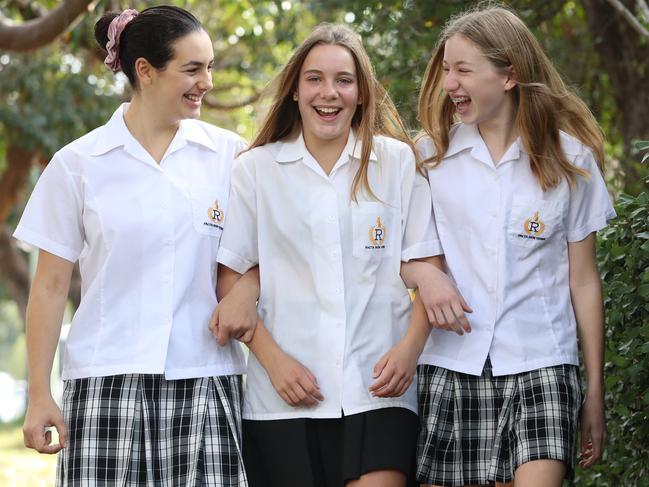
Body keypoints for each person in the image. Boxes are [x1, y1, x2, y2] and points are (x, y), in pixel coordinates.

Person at [16, 6, 253, 485]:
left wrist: (248, 288)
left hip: (204, 377)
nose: (206, 81)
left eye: (209, 66)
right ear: (144, 70)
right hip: (105, 384)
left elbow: (258, 255)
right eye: (192, 68)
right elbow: (49, 287)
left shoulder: (231, 156)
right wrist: (39, 393)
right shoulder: (77, 164)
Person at [213, 23, 453, 487]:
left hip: (379, 391)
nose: (330, 93)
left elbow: (427, 265)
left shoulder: (398, 163)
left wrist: (409, 350)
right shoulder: (254, 171)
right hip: (281, 398)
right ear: (295, 93)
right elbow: (231, 281)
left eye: (344, 80)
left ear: (362, 93)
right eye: (315, 79)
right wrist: (274, 361)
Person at [414, 5, 615, 487]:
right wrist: (425, 275)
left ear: (510, 75)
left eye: (463, 69)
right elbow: (409, 256)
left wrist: (594, 391)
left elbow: (583, 280)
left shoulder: (571, 159)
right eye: (445, 69)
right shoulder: (427, 158)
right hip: (449, 364)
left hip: (542, 364)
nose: (449, 84)